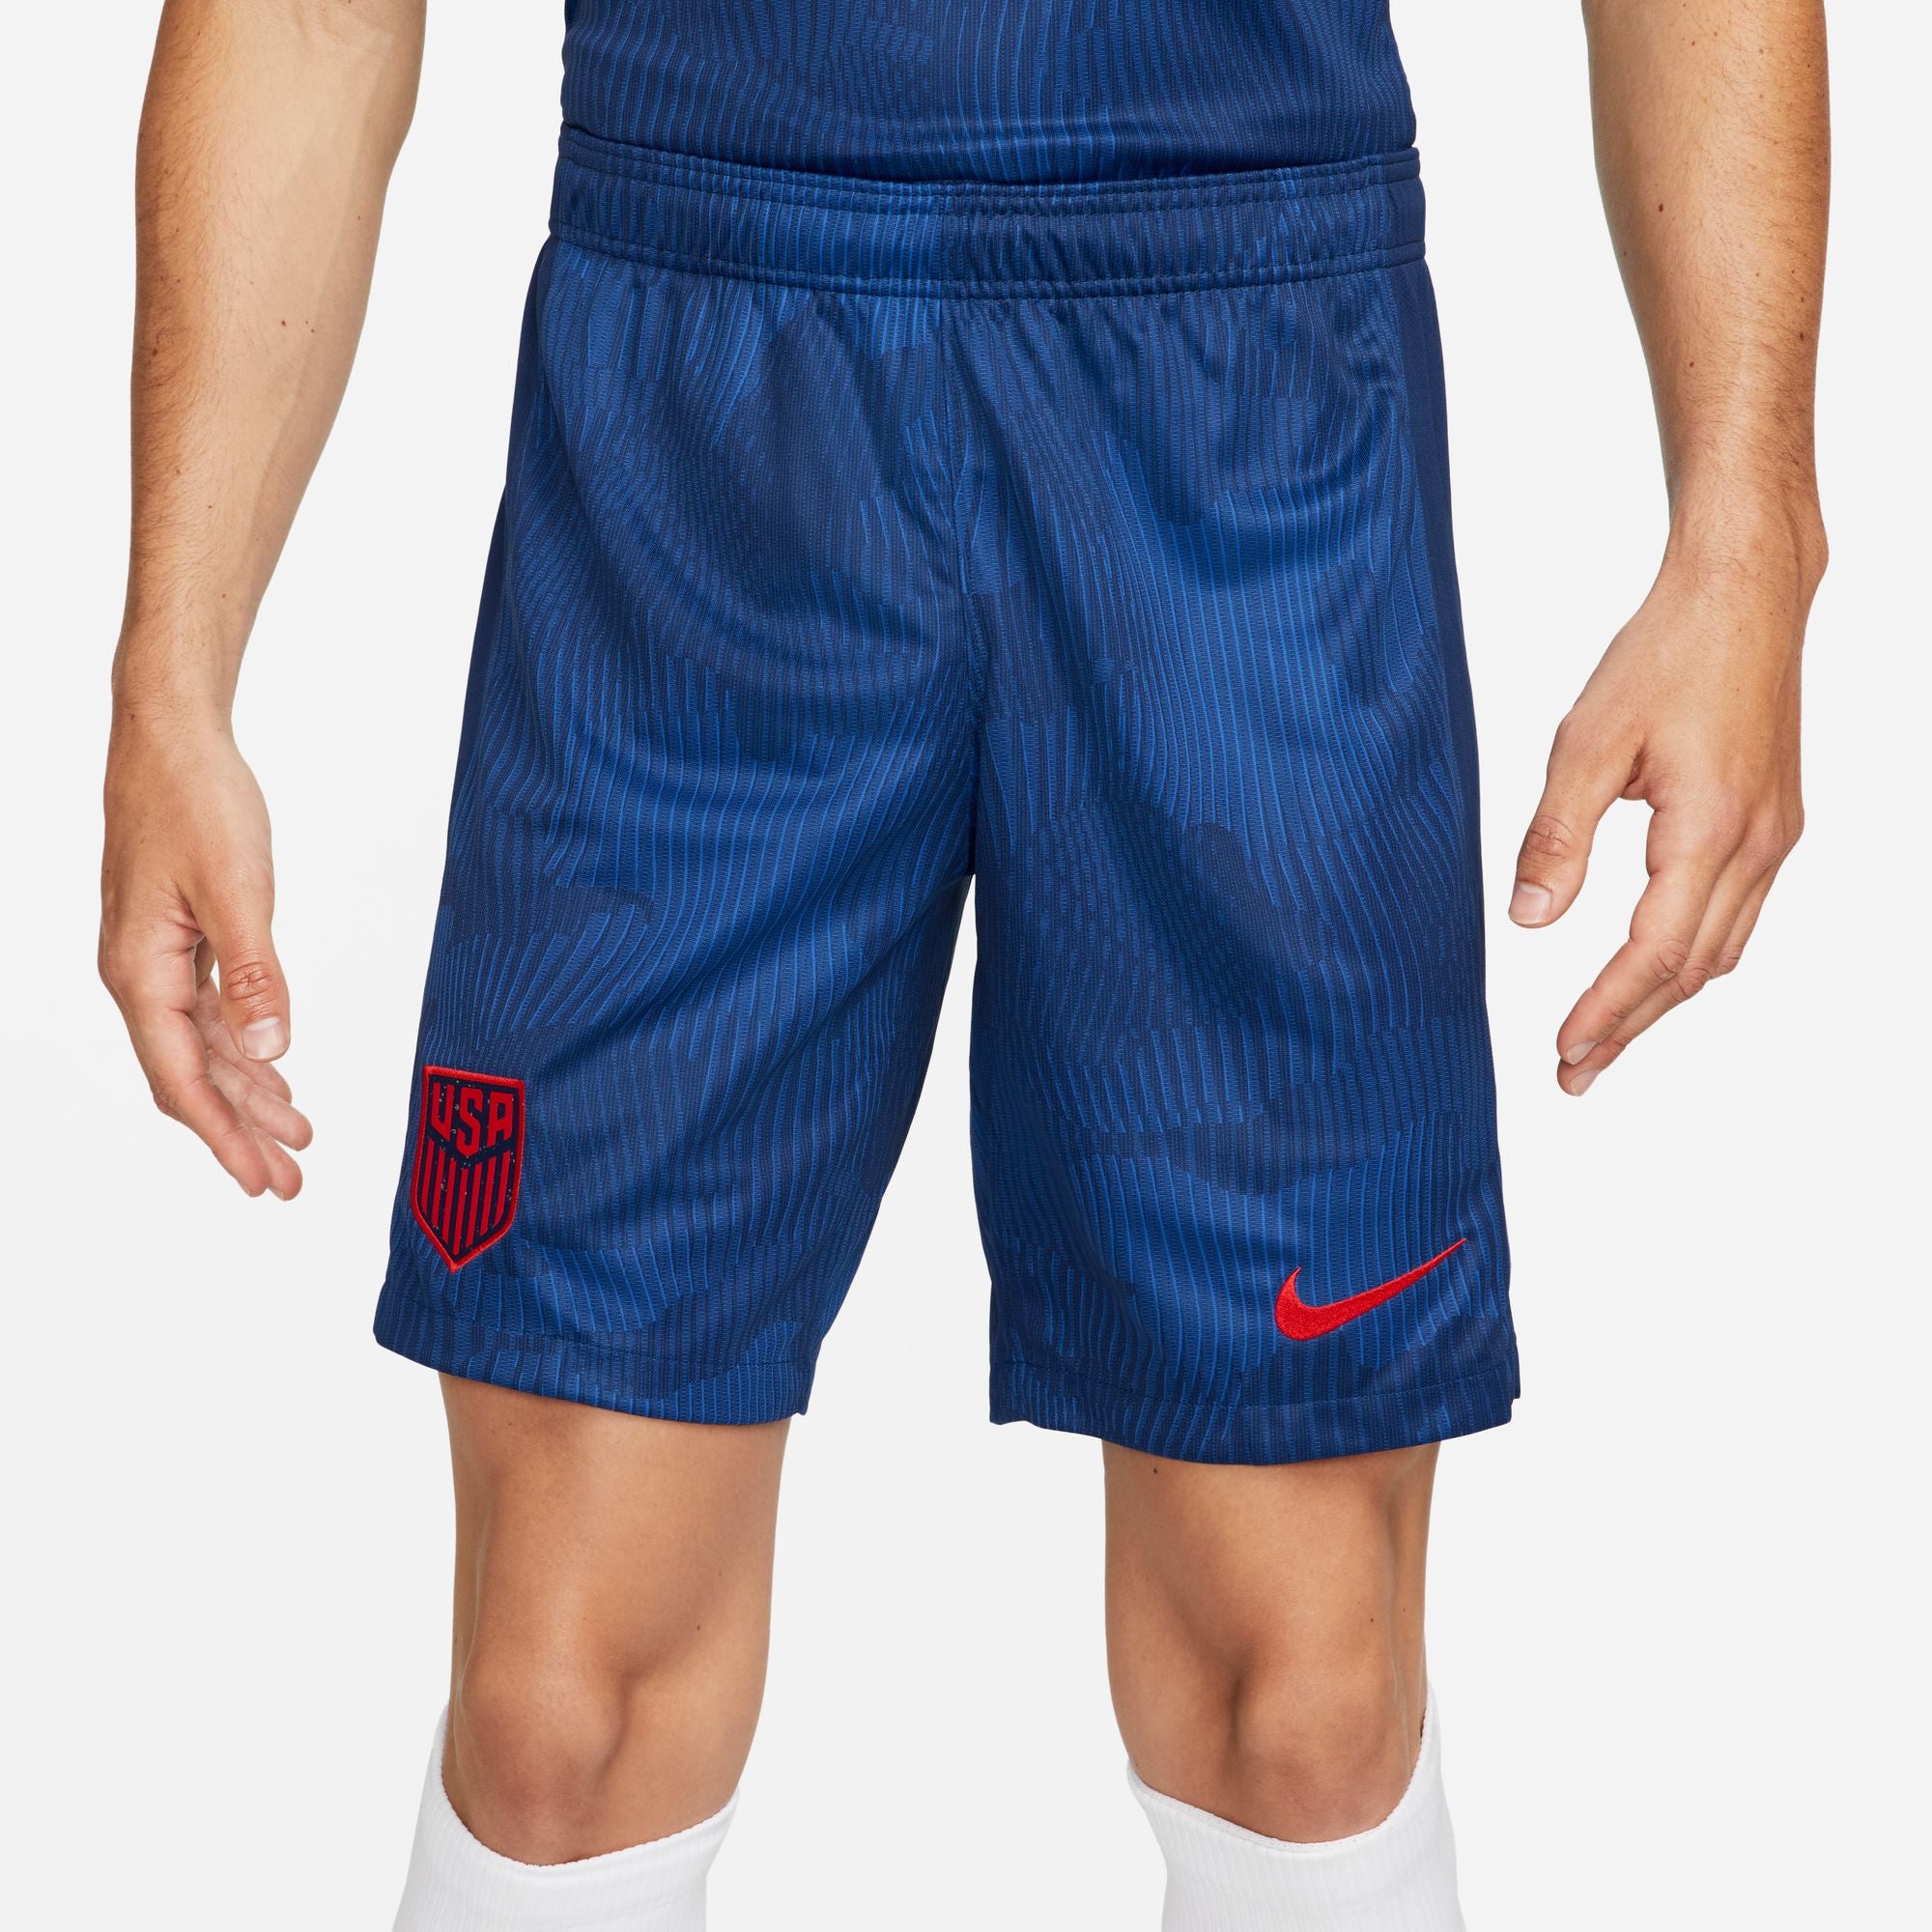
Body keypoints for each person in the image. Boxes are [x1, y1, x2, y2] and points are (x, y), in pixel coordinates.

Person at [98, 3, 1827, 1926]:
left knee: (1302, 1700)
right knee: (559, 1720)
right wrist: (173, 668)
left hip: (1240, 395)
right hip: (699, 429)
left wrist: (1746, 527)